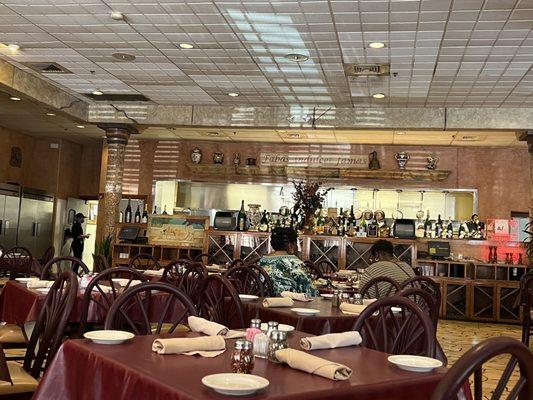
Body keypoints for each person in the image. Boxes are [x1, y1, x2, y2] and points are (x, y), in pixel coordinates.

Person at [258, 227, 318, 297]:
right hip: (289, 305)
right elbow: (311, 292)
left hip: (264, 302)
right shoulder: (295, 263)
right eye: (296, 244)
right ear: (291, 245)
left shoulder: (262, 261)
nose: (297, 248)